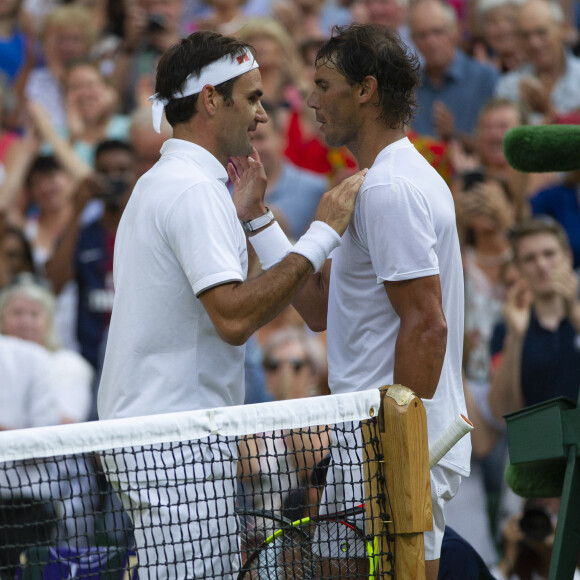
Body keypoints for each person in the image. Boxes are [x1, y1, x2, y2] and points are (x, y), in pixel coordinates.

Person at [96, 30, 366, 579]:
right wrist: (322, 235)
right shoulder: (193, 191)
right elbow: (234, 318)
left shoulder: (169, 183)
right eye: (250, 97)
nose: (262, 115)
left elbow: (311, 313)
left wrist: (258, 219)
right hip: (172, 448)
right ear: (210, 100)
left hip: (164, 441)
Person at [269, 23, 469, 579]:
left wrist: (395, 454)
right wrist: (257, 217)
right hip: (374, 440)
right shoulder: (381, 181)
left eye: (323, 84)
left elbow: (428, 326)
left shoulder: (389, 189)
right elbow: (317, 310)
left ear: (366, 89)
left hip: (395, 443)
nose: (311, 100)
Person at [488, 217, 580, 422]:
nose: (541, 265)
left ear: (568, 257)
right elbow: (502, 413)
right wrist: (516, 338)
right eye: (529, 258)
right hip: (539, 448)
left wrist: (574, 312)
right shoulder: (506, 329)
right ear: (518, 269)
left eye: (549, 254)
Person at [408, 0, 499, 141]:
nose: (431, 42)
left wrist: (454, 135)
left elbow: (496, 143)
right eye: (422, 35)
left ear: (456, 30)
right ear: (413, 40)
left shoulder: (485, 78)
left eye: (438, 32)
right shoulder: (409, 86)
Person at [495, 0, 580, 125]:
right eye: (525, 35)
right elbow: (506, 139)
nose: (534, 43)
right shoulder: (509, 87)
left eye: (542, 32)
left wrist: (547, 110)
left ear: (564, 29)